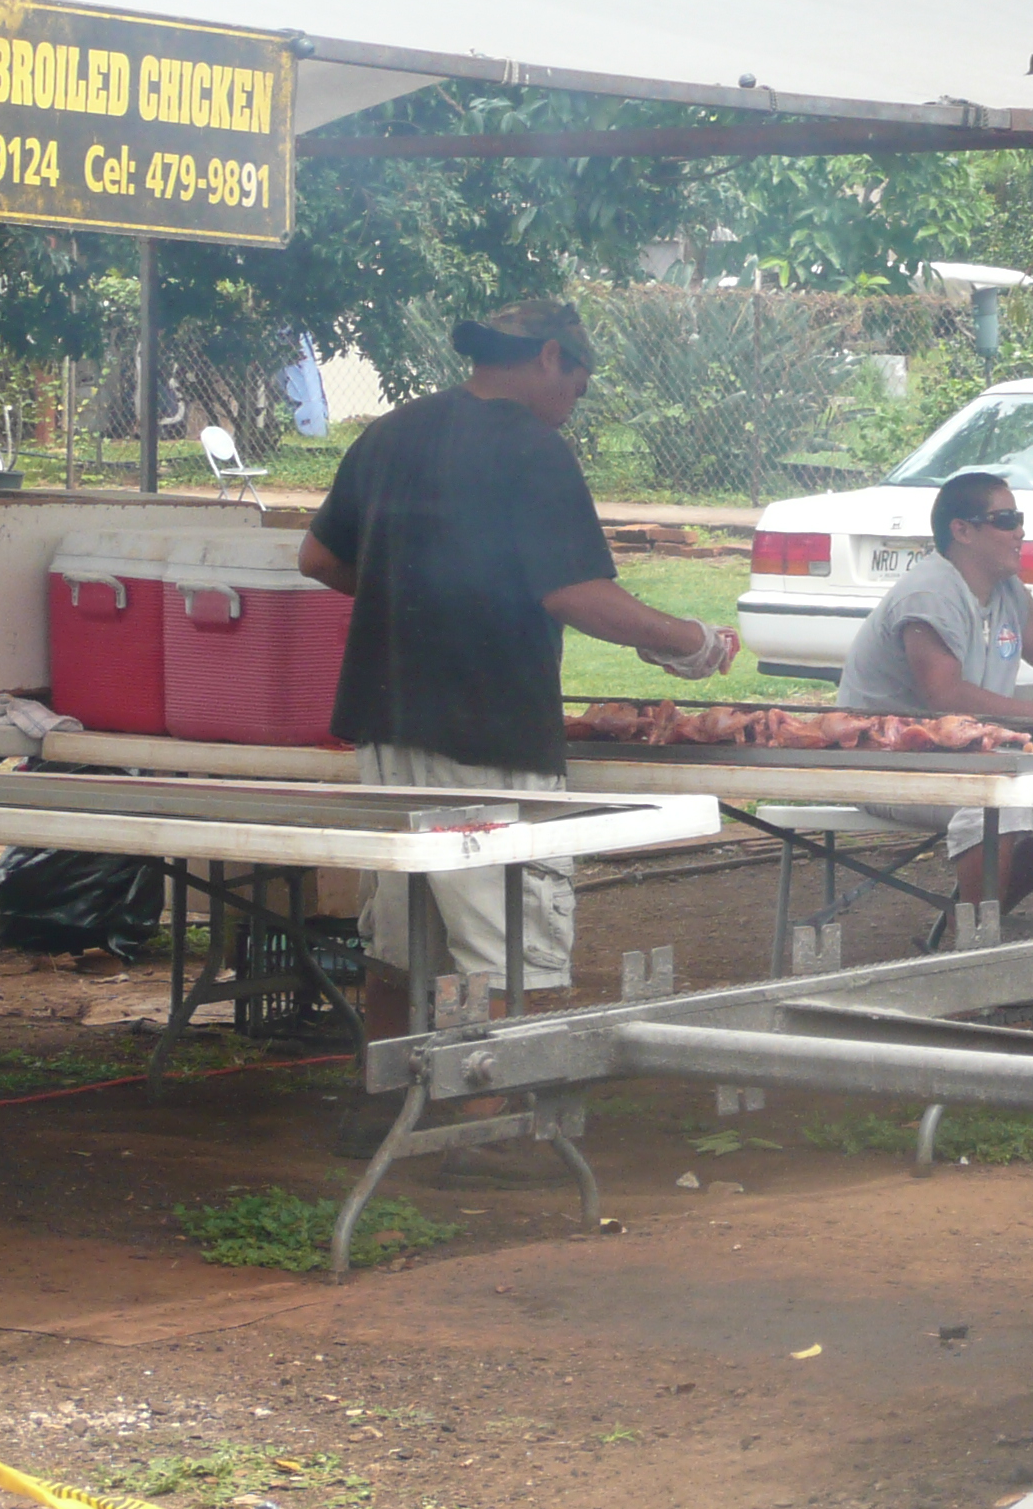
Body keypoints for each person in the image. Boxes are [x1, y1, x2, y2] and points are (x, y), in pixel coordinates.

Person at [298, 299, 737, 1176]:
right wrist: (687, 640)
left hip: (386, 720)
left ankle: (381, 1101)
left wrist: (410, 592)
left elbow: (319, 558)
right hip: (489, 727)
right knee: (512, 931)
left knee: (403, 925)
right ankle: (495, 1120)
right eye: (580, 377)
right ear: (548, 357)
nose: (576, 396)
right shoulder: (532, 449)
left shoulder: (391, 432)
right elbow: (572, 592)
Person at [836, 468, 1033, 925]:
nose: (1020, 531)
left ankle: (968, 923)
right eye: (1006, 520)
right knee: (995, 808)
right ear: (962, 531)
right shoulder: (931, 593)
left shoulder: (1007, 590)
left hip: (961, 757)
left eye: (1019, 519)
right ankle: (976, 942)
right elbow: (945, 695)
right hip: (885, 761)